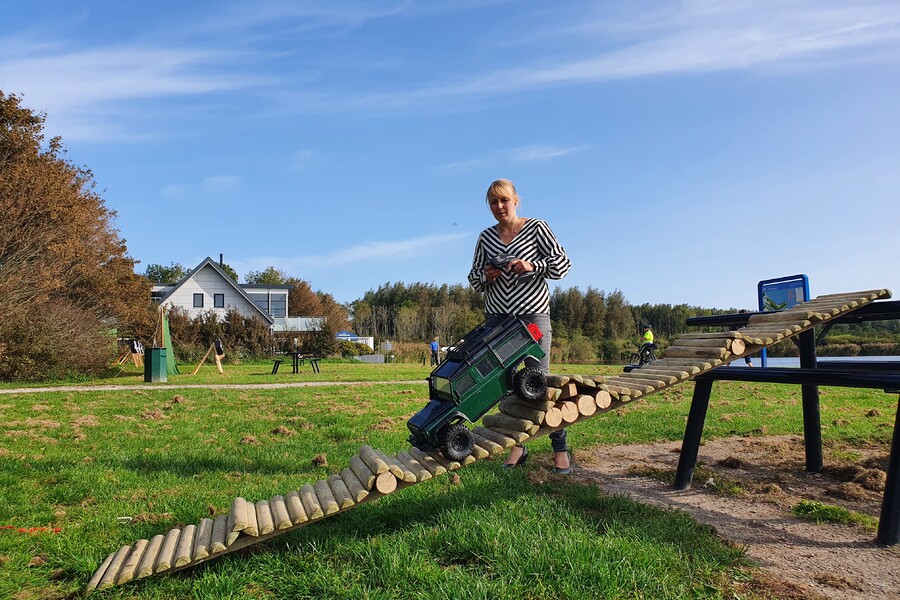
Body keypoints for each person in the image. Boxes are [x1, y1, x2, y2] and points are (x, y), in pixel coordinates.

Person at [467, 179, 572, 474]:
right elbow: (473, 279)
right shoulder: (486, 238)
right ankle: (518, 445)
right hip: (498, 319)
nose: (499, 207)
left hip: (533, 317)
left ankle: (560, 447)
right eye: (493, 202)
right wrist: (487, 276)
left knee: (540, 382)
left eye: (504, 201)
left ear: (516, 200)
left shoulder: (537, 227)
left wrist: (532, 266)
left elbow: (563, 264)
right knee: (510, 384)